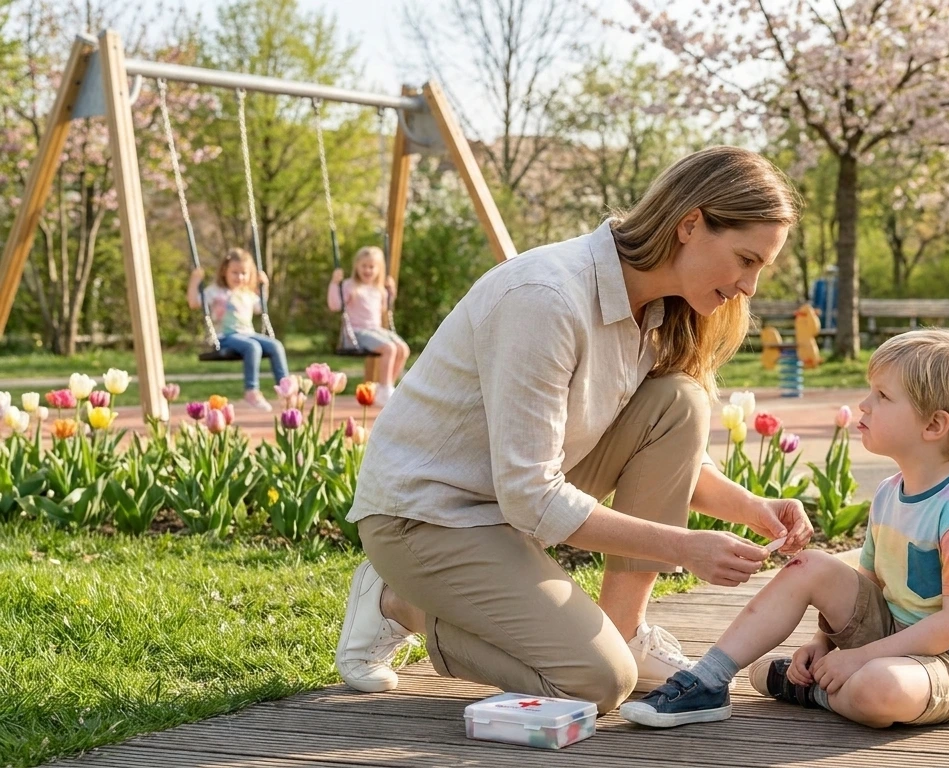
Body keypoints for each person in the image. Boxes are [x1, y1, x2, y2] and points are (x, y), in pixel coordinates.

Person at [334, 146, 815, 716]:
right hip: (427, 517)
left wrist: (751, 507)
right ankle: (398, 602)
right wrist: (686, 548)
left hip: (506, 505)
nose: (750, 286)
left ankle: (624, 629)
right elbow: (532, 495)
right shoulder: (545, 298)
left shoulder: (657, 312)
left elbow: (656, 445)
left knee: (679, 400)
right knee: (597, 683)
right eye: (746, 259)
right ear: (691, 224)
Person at [620, 328, 949, 730]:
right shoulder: (888, 492)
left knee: (878, 689)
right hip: (893, 632)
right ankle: (708, 677)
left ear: (934, 425)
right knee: (809, 564)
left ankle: (812, 690)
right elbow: (868, 584)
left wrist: (860, 658)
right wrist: (823, 644)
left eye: (882, 396)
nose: (864, 405)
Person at [187, 248, 289, 412]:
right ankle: (251, 391)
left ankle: (286, 389)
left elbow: (259, 308)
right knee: (252, 347)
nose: (239, 277)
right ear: (224, 272)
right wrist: (195, 280)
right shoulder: (215, 291)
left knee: (276, 345)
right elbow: (194, 303)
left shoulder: (247, 293)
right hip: (224, 337)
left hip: (247, 334)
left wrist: (265, 287)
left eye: (244, 273)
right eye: (235, 272)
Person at [328, 246, 410, 405]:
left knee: (403, 349)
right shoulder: (349, 285)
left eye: (372, 267)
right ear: (356, 266)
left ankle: (386, 387)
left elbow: (385, 308)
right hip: (356, 333)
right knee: (390, 348)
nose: (367, 270)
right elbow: (335, 305)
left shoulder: (378, 289)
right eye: (364, 266)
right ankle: (385, 389)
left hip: (376, 330)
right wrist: (334, 283)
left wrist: (391, 292)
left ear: (379, 269)